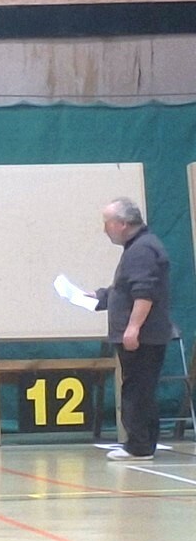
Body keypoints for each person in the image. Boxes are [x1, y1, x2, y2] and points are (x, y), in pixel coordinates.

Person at [95, 197, 172, 461]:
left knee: (137, 390)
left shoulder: (141, 250)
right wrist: (98, 297)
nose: (105, 229)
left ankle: (140, 446)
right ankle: (142, 443)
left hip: (143, 337)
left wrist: (133, 328)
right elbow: (125, 289)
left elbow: (144, 293)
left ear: (123, 224)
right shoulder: (139, 247)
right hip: (144, 335)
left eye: (107, 223)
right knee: (140, 388)